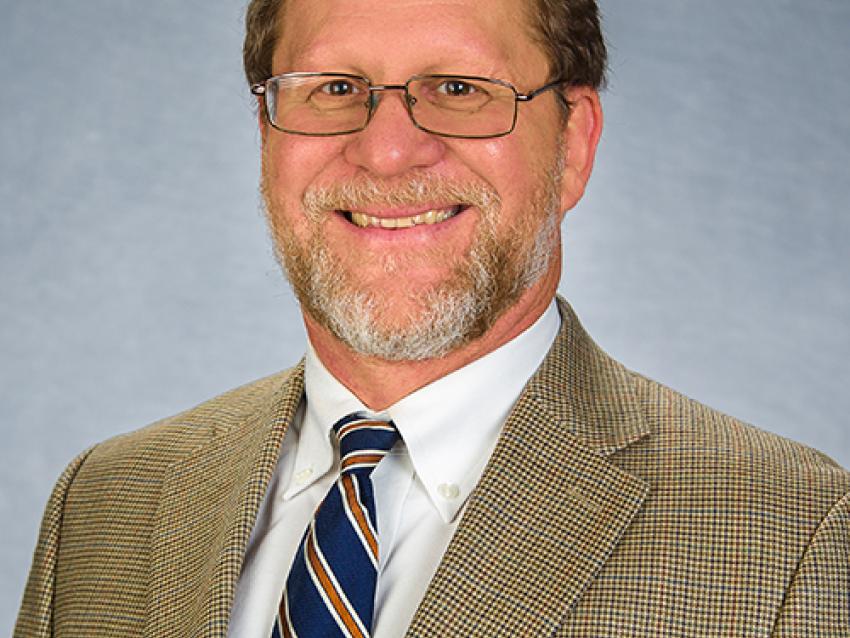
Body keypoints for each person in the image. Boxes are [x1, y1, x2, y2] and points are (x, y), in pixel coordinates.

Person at [15, 0, 850, 636]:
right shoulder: (105, 501)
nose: (386, 151)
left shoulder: (793, 534)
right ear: (266, 135)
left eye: (458, 89)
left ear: (573, 145)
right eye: (334, 89)